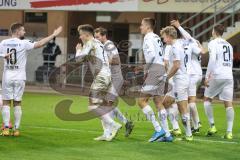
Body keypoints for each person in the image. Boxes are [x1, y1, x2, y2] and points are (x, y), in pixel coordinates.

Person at [0, 23, 62, 136]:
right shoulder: (24, 43)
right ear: (17, 31)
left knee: (6, 102)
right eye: (23, 30)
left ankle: (6, 129)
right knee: (17, 102)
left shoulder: (3, 42)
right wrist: (53, 35)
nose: (24, 32)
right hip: (20, 77)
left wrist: (3, 55)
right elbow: (40, 43)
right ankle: (16, 129)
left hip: (7, 76)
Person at [75, 24, 121, 141]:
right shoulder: (99, 43)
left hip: (101, 76)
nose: (80, 37)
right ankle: (106, 134)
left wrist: (78, 50)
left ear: (86, 35)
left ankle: (114, 125)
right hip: (107, 75)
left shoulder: (90, 43)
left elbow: (78, 59)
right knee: (101, 107)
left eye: (81, 35)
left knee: (92, 107)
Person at [93, 27, 134, 141]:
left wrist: (104, 62)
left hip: (115, 78)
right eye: (95, 37)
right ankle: (125, 123)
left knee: (106, 105)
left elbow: (116, 60)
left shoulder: (109, 45)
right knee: (106, 104)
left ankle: (109, 132)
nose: (96, 39)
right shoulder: (100, 47)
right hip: (109, 78)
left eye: (97, 37)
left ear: (103, 35)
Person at [138, 17, 171, 142]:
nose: (140, 27)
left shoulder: (148, 37)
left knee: (141, 101)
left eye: (142, 25)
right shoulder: (157, 37)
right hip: (161, 69)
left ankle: (158, 129)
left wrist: (146, 69)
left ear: (147, 27)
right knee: (158, 102)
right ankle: (167, 134)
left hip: (155, 70)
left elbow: (151, 55)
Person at [171, 20, 205, 134]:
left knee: (184, 102)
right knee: (189, 100)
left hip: (188, 75)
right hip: (197, 73)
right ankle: (196, 123)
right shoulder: (193, 43)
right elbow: (202, 52)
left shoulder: (178, 44)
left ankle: (191, 125)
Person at [161, 26, 193, 141]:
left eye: (164, 37)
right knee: (164, 104)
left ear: (169, 36)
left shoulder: (174, 47)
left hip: (180, 80)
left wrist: (166, 77)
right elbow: (189, 39)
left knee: (182, 108)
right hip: (177, 80)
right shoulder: (179, 43)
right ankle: (171, 129)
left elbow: (176, 65)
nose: (164, 40)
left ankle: (188, 134)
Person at [204, 24, 234, 140]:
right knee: (228, 103)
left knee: (207, 99)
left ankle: (212, 126)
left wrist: (207, 76)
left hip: (217, 75)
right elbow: (230, 61)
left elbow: (212, 60)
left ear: (214, 32)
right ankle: (229, 132)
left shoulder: (213, 43)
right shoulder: (229, 45)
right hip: (228, 76)